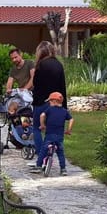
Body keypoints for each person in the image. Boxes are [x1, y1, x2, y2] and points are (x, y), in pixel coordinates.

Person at [29, 40, 67, 172]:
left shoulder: (40, 65)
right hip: (56, 104)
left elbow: (36, 85)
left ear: (40, 52)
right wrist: (64, 107)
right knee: (53, 131)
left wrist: (34, 101)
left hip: (41, 102)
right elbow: (63, 87)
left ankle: (41, 156)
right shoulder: (59, 65)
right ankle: (54, 157)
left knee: (37, 128)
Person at [36, 91, 73, 175]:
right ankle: (63, 169)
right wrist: (69, 130)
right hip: (59, 136)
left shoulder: (50, 109)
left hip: (49, 135)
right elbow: (71, 119)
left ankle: (38, 166)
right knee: (60, 152)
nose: (49, 103)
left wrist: (42, 125)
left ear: (54, 101)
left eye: (50, 101)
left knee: (43, 150)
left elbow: (42, 115)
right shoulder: (64, 111)